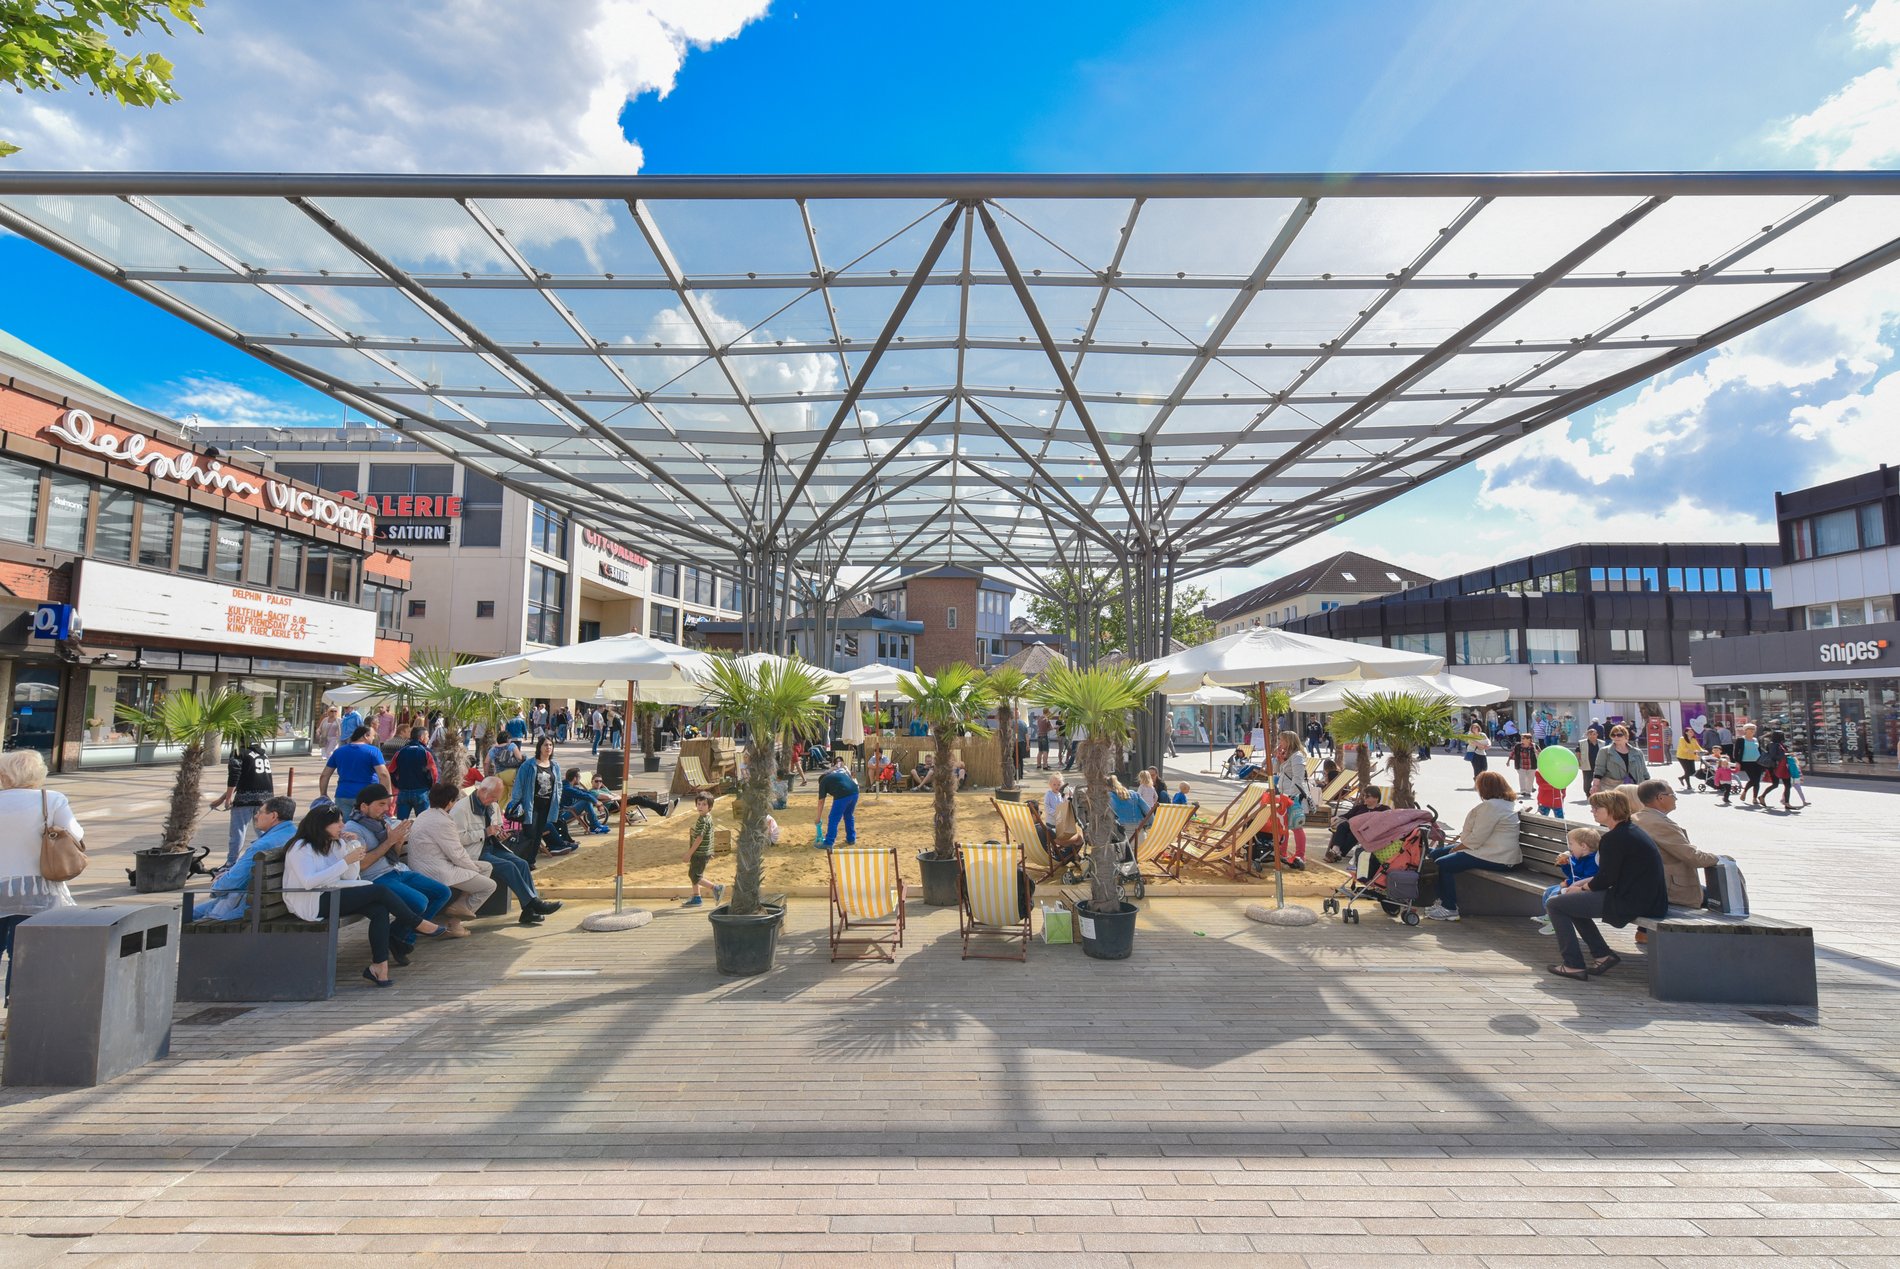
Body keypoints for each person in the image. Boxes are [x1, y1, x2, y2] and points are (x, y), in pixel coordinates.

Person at [284, 803, 444, 988]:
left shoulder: (333, 844)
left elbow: (350, 876)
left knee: (379, 909)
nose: (342, 827)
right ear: (321, 825)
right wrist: (345, 861)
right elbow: (309, 882)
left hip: (331, 892)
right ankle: (417, 922)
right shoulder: (301, 848)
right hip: (309, 901)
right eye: (337, 823)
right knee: (379, 890)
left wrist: (351, 849)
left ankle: (379, 967)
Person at [1543, 790, 1669, 982]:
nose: (1592, 811)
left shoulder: (1615, 838)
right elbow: (1610, 875)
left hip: (1634, 900)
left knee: (1555, 904)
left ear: (1611, 809)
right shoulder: (1629, 831)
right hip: (1644, 897)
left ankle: (1573, 964)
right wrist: (1581, 884)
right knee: (1570, 904)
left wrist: (1581, 888)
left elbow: (1606, 878)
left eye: (1596, 808)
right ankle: (1602, 955)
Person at [0, 750, 82, 1002]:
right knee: (24, 952)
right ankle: (16, 1012)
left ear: (4, 776)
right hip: (37, 889)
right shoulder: (52, 800)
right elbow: (75, 834)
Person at [343, 785, 459, 950]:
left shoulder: (383, 823)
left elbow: (394, 856)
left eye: (388, 804)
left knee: (442, 892)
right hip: (375, 878)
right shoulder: (353, 829)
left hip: (396, 869)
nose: (386, 809)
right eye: (381, 804)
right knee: (419, 903)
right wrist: (390, 841)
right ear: (364, 806)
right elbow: (361, 865)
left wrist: (397, 842)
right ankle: (402, 940)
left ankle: (398, 935)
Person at [453, 777, 562, 926]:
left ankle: (529, 910)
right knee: (508, 866)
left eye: (496, 799)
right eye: (492, 797)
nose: (493, 801)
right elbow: (457, 838)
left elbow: (497, 825)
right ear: (482, 790)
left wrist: (499, 833)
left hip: (492, 847)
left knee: (522, 863)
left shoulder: (493, 805)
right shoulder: (461, 808)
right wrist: (484, 832)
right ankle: (534, 904)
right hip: (474, 852)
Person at [1423, 770, 1521, 922]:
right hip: (1494, 851)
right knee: (1437, 854)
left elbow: (1476, 839)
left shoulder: (1492, 806)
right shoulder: (1506, 804)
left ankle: (1450, 907)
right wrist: (1459, 846)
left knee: (1443, 863)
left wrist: (1456, 848)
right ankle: (1443, 901)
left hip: (1497, 856)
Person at [193, 796, 296, 922]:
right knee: (194, 911)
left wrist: (216, 886)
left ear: (273, 816)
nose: (256, 816)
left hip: (247, 907)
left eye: (260, 812)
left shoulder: (262, 846)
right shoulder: (295, 834)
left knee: (190, 914)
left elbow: (232, 882)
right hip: (273, 904)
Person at [405, 781, 499, 919]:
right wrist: (473, 868)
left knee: (487, 867)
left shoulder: (424, 815)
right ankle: (456, 920)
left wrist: (472, 867)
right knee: (489, 886)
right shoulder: (443, 822)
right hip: (435, 870)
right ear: (450, 802)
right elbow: (457, 854)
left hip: (430, 864)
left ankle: (461, 906)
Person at [1628, 780, 1719, 909]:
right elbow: (1692, 858)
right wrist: (1720, 858)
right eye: (1672, 795)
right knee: (1721, 899)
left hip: (1645, 883)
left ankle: (1643, 930)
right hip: (1668, 889)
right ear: (1660, 798)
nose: (1675, 799)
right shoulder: (1660, 824)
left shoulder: (1636, 818)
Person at [209, 732, 275, 867]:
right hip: (265, 799)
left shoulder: (239, 753)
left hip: (245, 799)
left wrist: (228, 799)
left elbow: (235, 777)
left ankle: (231, 863)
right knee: (263, 831)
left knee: (238, 832)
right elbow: (247, 778)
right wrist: (223, 798)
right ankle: (270, 858)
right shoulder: (262, 754)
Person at [506, 737, 567, 867]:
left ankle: (531, 861)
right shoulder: (528, 765)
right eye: (545, 745)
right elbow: (519, 784)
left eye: (551, 745)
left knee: (538, 833)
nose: (548, 747)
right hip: (531, 805)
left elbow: (559, 785)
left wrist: (558, 798)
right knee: (529, 833)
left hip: (547, 806)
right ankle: (524, 861)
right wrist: (516, 803)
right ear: (539, 747)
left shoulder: (554, 765)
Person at [1533, 825, 1601, 935]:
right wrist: (1565, 865)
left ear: (1583, 846)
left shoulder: (1592, 861)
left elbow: (1586, 879)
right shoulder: (1579, 858)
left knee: (1556, 894)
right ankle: (1549, 916)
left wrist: (1567, 883)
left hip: (1583, 890)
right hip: (1573, 886)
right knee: (1548, 891)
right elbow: (1573, 875)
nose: (1569, 848)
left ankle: (1555, 920)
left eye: (1571, 844)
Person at [1271, 732, 1313, 869]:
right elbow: (1278, 772)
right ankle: (1282, 852)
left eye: (1281, 739)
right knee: (1283, 825)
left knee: (1296, 826)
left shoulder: (1297, 757)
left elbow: (1298, 778)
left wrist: (1292, 796)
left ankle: (1300, 854)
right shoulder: (1288, 756)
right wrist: (1279, 759)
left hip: (1293, 797)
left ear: (1288, 741)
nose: (1279, 742)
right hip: (1285, 794)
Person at [320, 726, 391, 804]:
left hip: (343, 795)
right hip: (367, 796)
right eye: (373, 735)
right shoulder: (373, 751)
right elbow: (383, 775)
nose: (373, 738)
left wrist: (323, 794)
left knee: (344, 816)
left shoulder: (339, 751)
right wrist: (387, 795)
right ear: (366, 736)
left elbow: (324, 775)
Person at [681, 792, 724, 908]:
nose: (700, 806)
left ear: (709, 807)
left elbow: (700, 838)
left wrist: (689, 854)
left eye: (704, 804)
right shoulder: (707, 817)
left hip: (700, 853)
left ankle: (715, 888)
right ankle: (696, 897)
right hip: (703, 852)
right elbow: (708, 835)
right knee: (694, 873)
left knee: (695, 876)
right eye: (698, 804)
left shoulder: (703, 820)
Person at [1325, 784, 1384, 862]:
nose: (1364, 798)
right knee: (1343, 826)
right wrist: (1336, 818)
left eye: (1367, 796)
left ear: (1376, 797)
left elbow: (1385, 821)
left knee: (1353, 833)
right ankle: (1336, 850)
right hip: (1352, 827)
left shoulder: (1383, 809)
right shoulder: (1360, 807)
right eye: (1364, 796)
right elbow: (1347, 815)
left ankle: (1336, 853)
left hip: (1367, 831)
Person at [390, 727, 438, 821]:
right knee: (423, 823)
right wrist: (432, 786)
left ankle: (401, 836)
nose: (428, 738)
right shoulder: (426, 752)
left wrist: (397, 784)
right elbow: (434, 773)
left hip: (403, 791)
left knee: (401, 824)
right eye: (427, 736)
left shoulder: (400, 752)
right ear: (421, 737)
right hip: (421, 792)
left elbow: (391, 771)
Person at [816, 757, 860, 850]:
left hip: (843, 795)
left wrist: (818, 818)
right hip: (855, 792)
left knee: (833, 818)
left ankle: (829, 842)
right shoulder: (835, 776)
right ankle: (851, 838)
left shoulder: (823, 782)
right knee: (848, 815)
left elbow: (821, 802)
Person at [1591, 724, 1649, 791]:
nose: (1616, 737)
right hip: (1613, 789)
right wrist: (1595, 786)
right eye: (1613, 735)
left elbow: (1644, 771)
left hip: (1635, 788)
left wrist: (1648, 785)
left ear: (1626, 737)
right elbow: (1599, 770)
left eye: (1619, 735)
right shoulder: (1605, 751)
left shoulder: (1637, 752)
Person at [559, 769, 610, 834]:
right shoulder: (567, 788)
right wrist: (597, 802)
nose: (580, 780)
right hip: (563, 815)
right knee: (586, 801)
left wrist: (596, 802)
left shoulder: (570, 786)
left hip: (568, 810)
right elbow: (582, 795)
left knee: (587, 799)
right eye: (579, 777)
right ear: (575, 778)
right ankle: (594, 826)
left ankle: (595, 826)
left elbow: (586, 792)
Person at [1758, 729, 1790, 810]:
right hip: (1776, 767)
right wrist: (1784, 755)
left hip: (1782, 766)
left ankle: (1787, 803)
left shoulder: (1779, 744)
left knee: (1787, 785)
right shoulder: (1773, 745)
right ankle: (1762, 796)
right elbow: (1773, 756)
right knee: (1776, 784)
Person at [1734, 722, 1765, 805]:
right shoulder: (1741, 740)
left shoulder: (1756, 739)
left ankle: (1755, 798)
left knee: (1757, 781)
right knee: (1753, 779)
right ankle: (1745, 791)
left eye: (1753, 729)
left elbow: (1759, 750)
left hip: (1758, 762)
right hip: (1747, 762)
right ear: (1745, 730)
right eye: (1750, 729)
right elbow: (1736, 752)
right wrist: (1737, 762)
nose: (1752, 731)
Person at [1506, 733, 1539, 802]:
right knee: (1522, 778)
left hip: (1531, 766)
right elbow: (1513, 753)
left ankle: (1528, 792)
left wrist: (1537, 752)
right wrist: (1508, 761)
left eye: (1523, 738)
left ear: (1529, 739)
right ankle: (1523, 791)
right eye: (1521, 738)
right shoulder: (1518, 746)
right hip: (1521, 765)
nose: (1522, 740)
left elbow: (1540, 754)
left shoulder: (1534, 746)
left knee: (1530, 779)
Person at [1674, 727, 1704, 793]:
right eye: (1690, 732)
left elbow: (1698, 747)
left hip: (1691, 756)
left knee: (1692, 771)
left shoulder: (1693, 739)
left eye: (1692, 732)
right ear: (1686, 732)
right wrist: (1694, 752)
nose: (1692, 733)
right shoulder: (1682, 739)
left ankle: (1681, 778)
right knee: (1687, 771)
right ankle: (1689, 785)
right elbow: (1684, 749)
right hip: (1682, 756)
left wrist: (1703, 751)